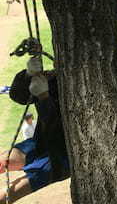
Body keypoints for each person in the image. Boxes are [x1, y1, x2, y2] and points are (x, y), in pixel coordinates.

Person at [0, 56, 69, 204]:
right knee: (2, 161)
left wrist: (44, 97)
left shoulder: (84, 93)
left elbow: (55, 129)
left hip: (60, 158)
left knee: (10, 192)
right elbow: (18, 95)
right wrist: (28, 75)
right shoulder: (54, 80)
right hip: (40, 142)